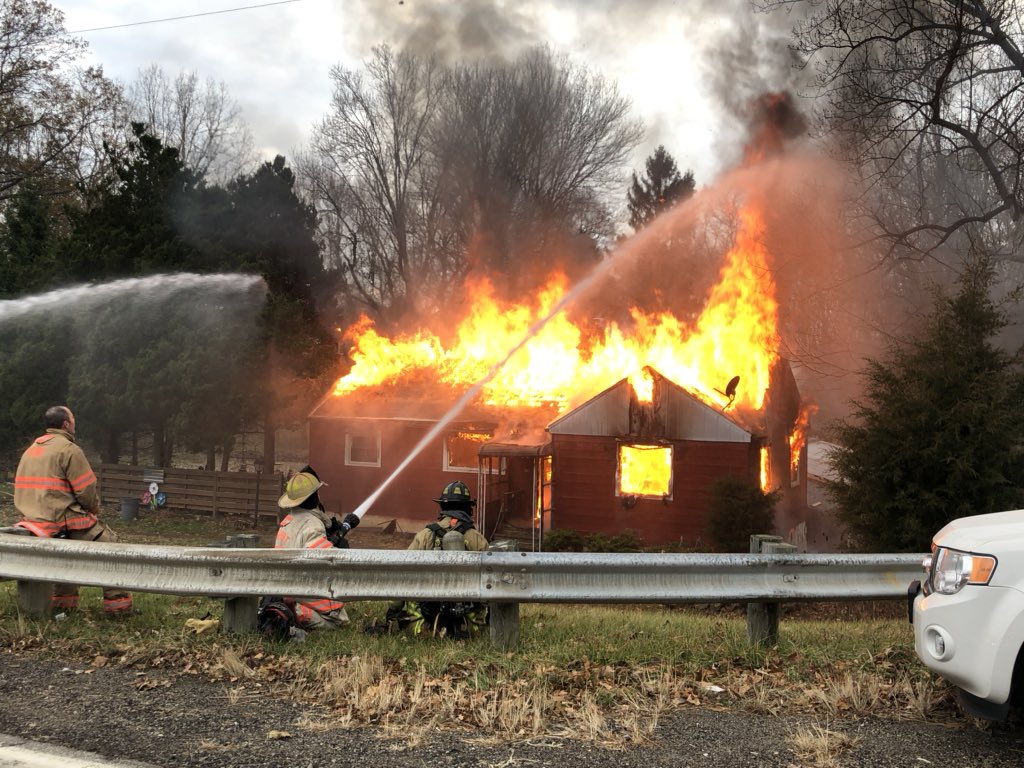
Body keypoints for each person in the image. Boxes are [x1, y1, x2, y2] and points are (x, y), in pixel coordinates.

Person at [12, 406, 133, 616]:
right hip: (59, 520)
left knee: (67, 553)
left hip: (31, 520)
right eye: (73, 419)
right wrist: (93, 509)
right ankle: (119, 607)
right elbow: (86, 491)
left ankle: (63, 606)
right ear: (66, 424)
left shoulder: (31, 450)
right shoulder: (69, 450)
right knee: (112, 547)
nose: (75, 424)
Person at [382, 480, 489, 638]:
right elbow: (491, 585)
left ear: (442, 507)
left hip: (425, 620)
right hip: (470, 625)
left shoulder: (424, 536)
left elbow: (403, 574)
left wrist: (393, 610)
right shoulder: (478, 539)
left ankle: (424, 628)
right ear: (468, 508)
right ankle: (464, 627)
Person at [269, 465, 360, 632]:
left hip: (288, 587)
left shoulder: (288, 522)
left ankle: (292, 608)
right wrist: (338, 543)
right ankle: (297, 612)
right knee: (340, 623)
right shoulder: (312, 524)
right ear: (314, 496)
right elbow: (326, 559)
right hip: (305, 591)